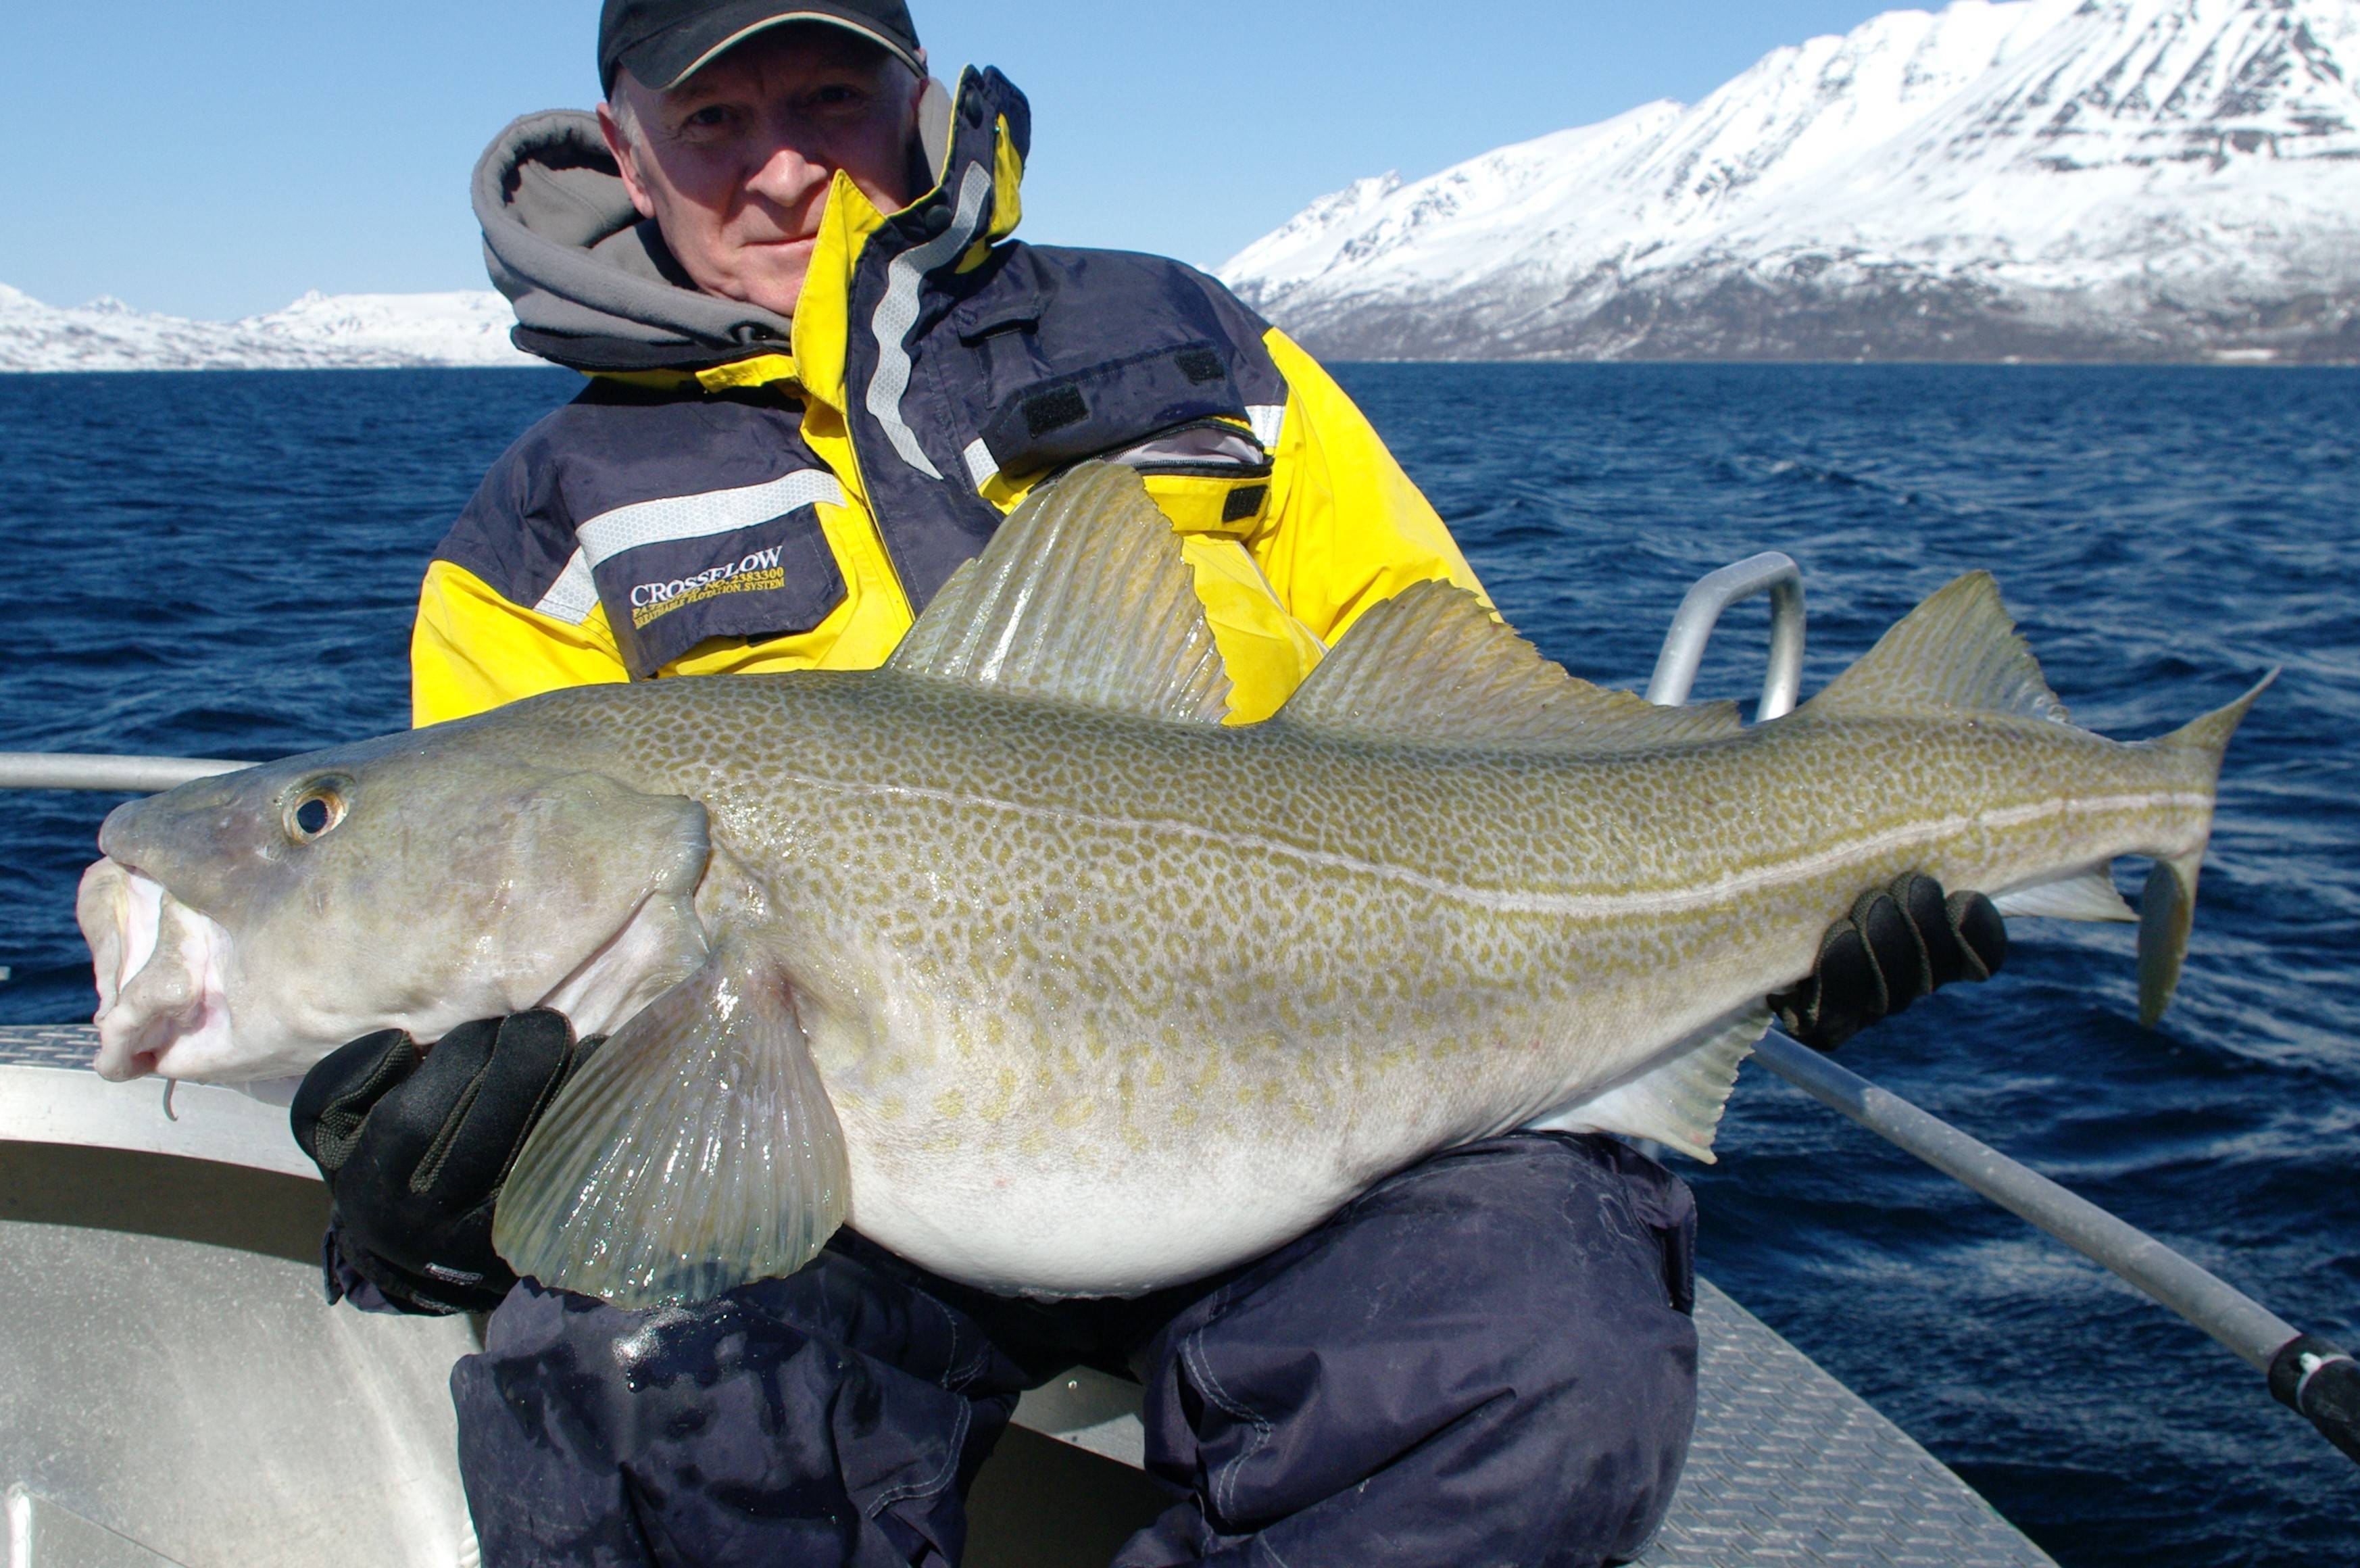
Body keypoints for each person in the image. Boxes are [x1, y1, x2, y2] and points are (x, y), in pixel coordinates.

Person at [291, 3, 2009, 1564]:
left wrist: (1785, 903)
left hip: (1354, 1074)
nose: (788, 163)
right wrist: (435, 1176)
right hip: (848, 1176)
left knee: (1542, 1355)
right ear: (622, 137)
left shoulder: (1190, 337)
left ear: (919, 90)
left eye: (831, 92)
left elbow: (1455, 682)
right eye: (721, 117)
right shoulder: (543, 526)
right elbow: (487, 918)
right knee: (627, 1394)